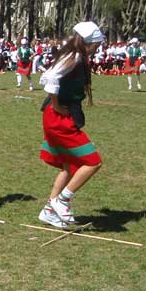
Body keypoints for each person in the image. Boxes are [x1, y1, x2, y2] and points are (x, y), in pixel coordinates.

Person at [37, 21, 104, 228]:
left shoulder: (74, 55)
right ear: (88, 42)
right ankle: (62, 200)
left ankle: (49, 211)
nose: (98, 49)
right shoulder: (73, 57)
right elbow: (49, 78)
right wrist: (56, 104)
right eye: (97, 45)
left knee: (68, 167)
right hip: (58, 118)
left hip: (60, 116)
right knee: (93, 162)